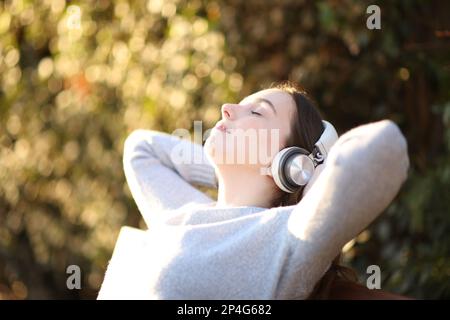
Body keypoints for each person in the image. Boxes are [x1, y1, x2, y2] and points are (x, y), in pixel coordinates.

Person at [103, 82, 410, 299]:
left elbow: (385, 146)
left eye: (258, 112)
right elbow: (141, 148)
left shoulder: (289, 237)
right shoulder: (184, 212)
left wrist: (305, 174)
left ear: (292, 160)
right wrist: (237, 167)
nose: (227, 109)